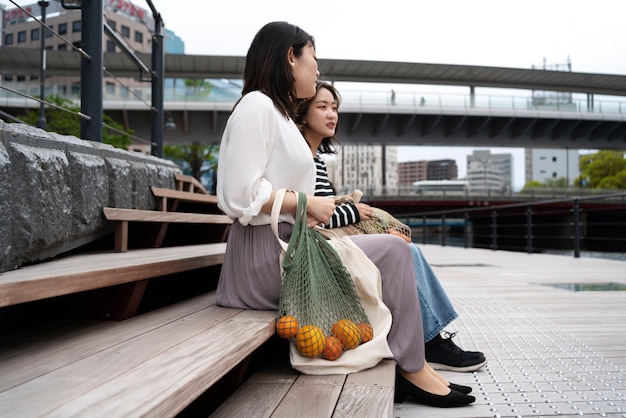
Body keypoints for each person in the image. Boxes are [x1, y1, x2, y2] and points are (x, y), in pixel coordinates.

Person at [216, 22, 475, 408]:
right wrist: (307, 204)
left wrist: (320, 203)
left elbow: (273, 187)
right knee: (394, 250)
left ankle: (414, 361)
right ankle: (413, 366)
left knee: (394, 249)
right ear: (291, 57)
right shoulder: (256, 106)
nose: (317, 70)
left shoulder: (279, 115)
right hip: (263, 259)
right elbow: (237, 195)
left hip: (288, 248)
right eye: (313, 59)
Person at [296, 81, 487, 373]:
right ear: (302, 113)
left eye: (334, 108)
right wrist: (353, 211)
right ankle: (431, 343)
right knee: (405, 252)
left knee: (408, 249)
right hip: (316, 248)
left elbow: (323, 212)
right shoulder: (301, 158)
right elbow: (312, 217)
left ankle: (430, 339)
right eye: (322, 107)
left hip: (328, 242)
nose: (331, 114)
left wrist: (348, 214)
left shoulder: (316, 159)